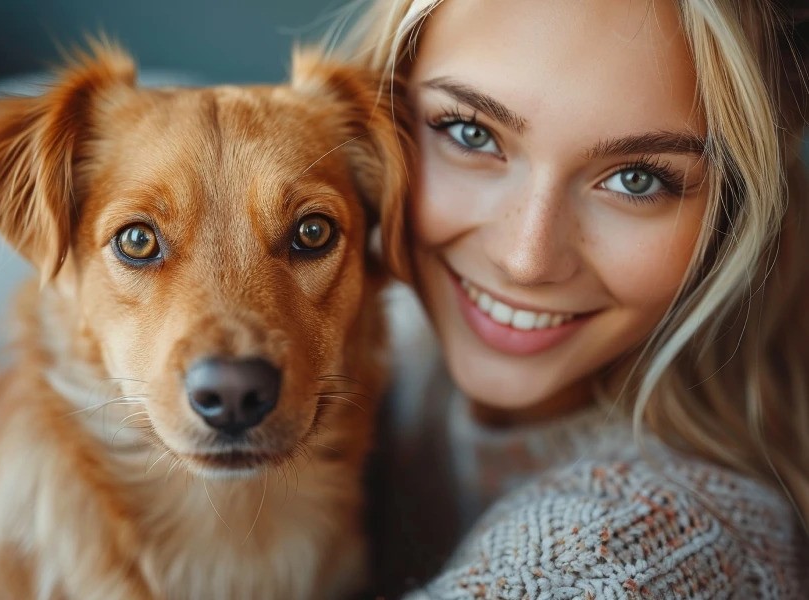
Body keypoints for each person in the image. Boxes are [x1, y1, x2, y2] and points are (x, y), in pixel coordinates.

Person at [335, 0, 809, 597]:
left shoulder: (656, 550)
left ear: (731, 214)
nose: (526, 260)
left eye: (636, 178)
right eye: (470, 133)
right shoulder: (392, 341)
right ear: (376, 118)